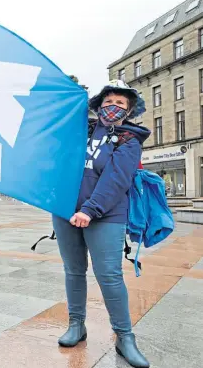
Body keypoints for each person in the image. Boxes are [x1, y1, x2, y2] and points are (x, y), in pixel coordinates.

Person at [52, 80, 150, 368]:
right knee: (73, 271)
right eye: (109, 101)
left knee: (109, 275)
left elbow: (117, 179)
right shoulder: (81, 132)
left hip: (105, 215)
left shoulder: (129, 140)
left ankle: (124, 337)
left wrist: (90, 210)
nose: (113, 106)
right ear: (98, 104)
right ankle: (76, 325)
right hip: (65, 213)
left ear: (129, 110)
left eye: (121, 103)